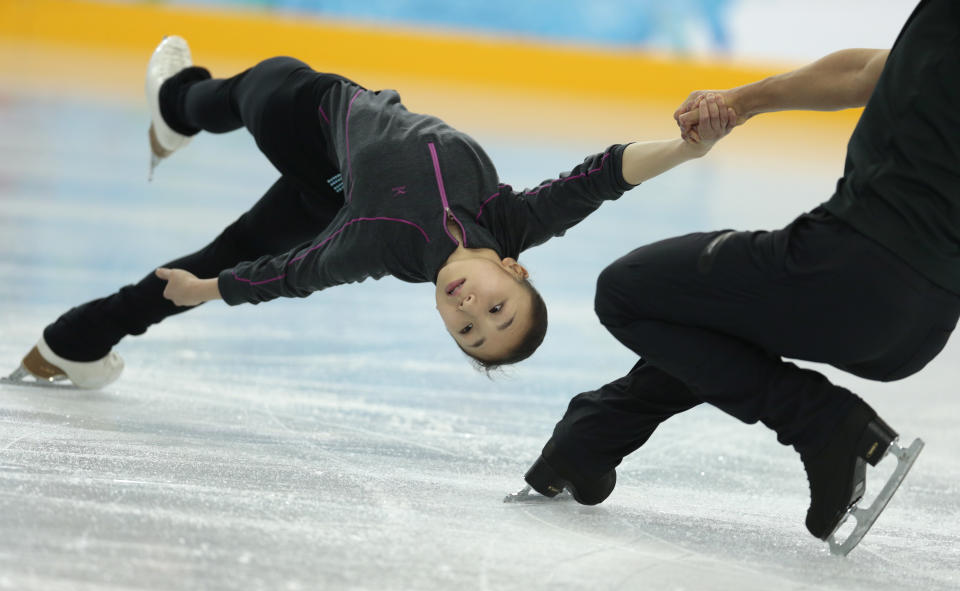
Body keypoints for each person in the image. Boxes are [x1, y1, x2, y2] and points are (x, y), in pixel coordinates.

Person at [7, 35, 736, 389]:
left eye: (469, 335)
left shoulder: (382, 246)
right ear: (513, 270)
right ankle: (75, 339)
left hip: (309, 116)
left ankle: (175, 109)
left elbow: (298, 272)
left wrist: (214, 291)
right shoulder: (511, 221)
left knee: (261, 86)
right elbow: (600, 178)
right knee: (228, 228)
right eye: (498, 311)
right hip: (327, 178)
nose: (471, 313)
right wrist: (683, 151)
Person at [518, 0, 958, 547]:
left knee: (627, 292)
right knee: (723, 310)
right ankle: (586, 445)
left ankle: (823, 423)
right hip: (923, 326)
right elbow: (869, 71)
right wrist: (742, 102)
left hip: (845, 270)